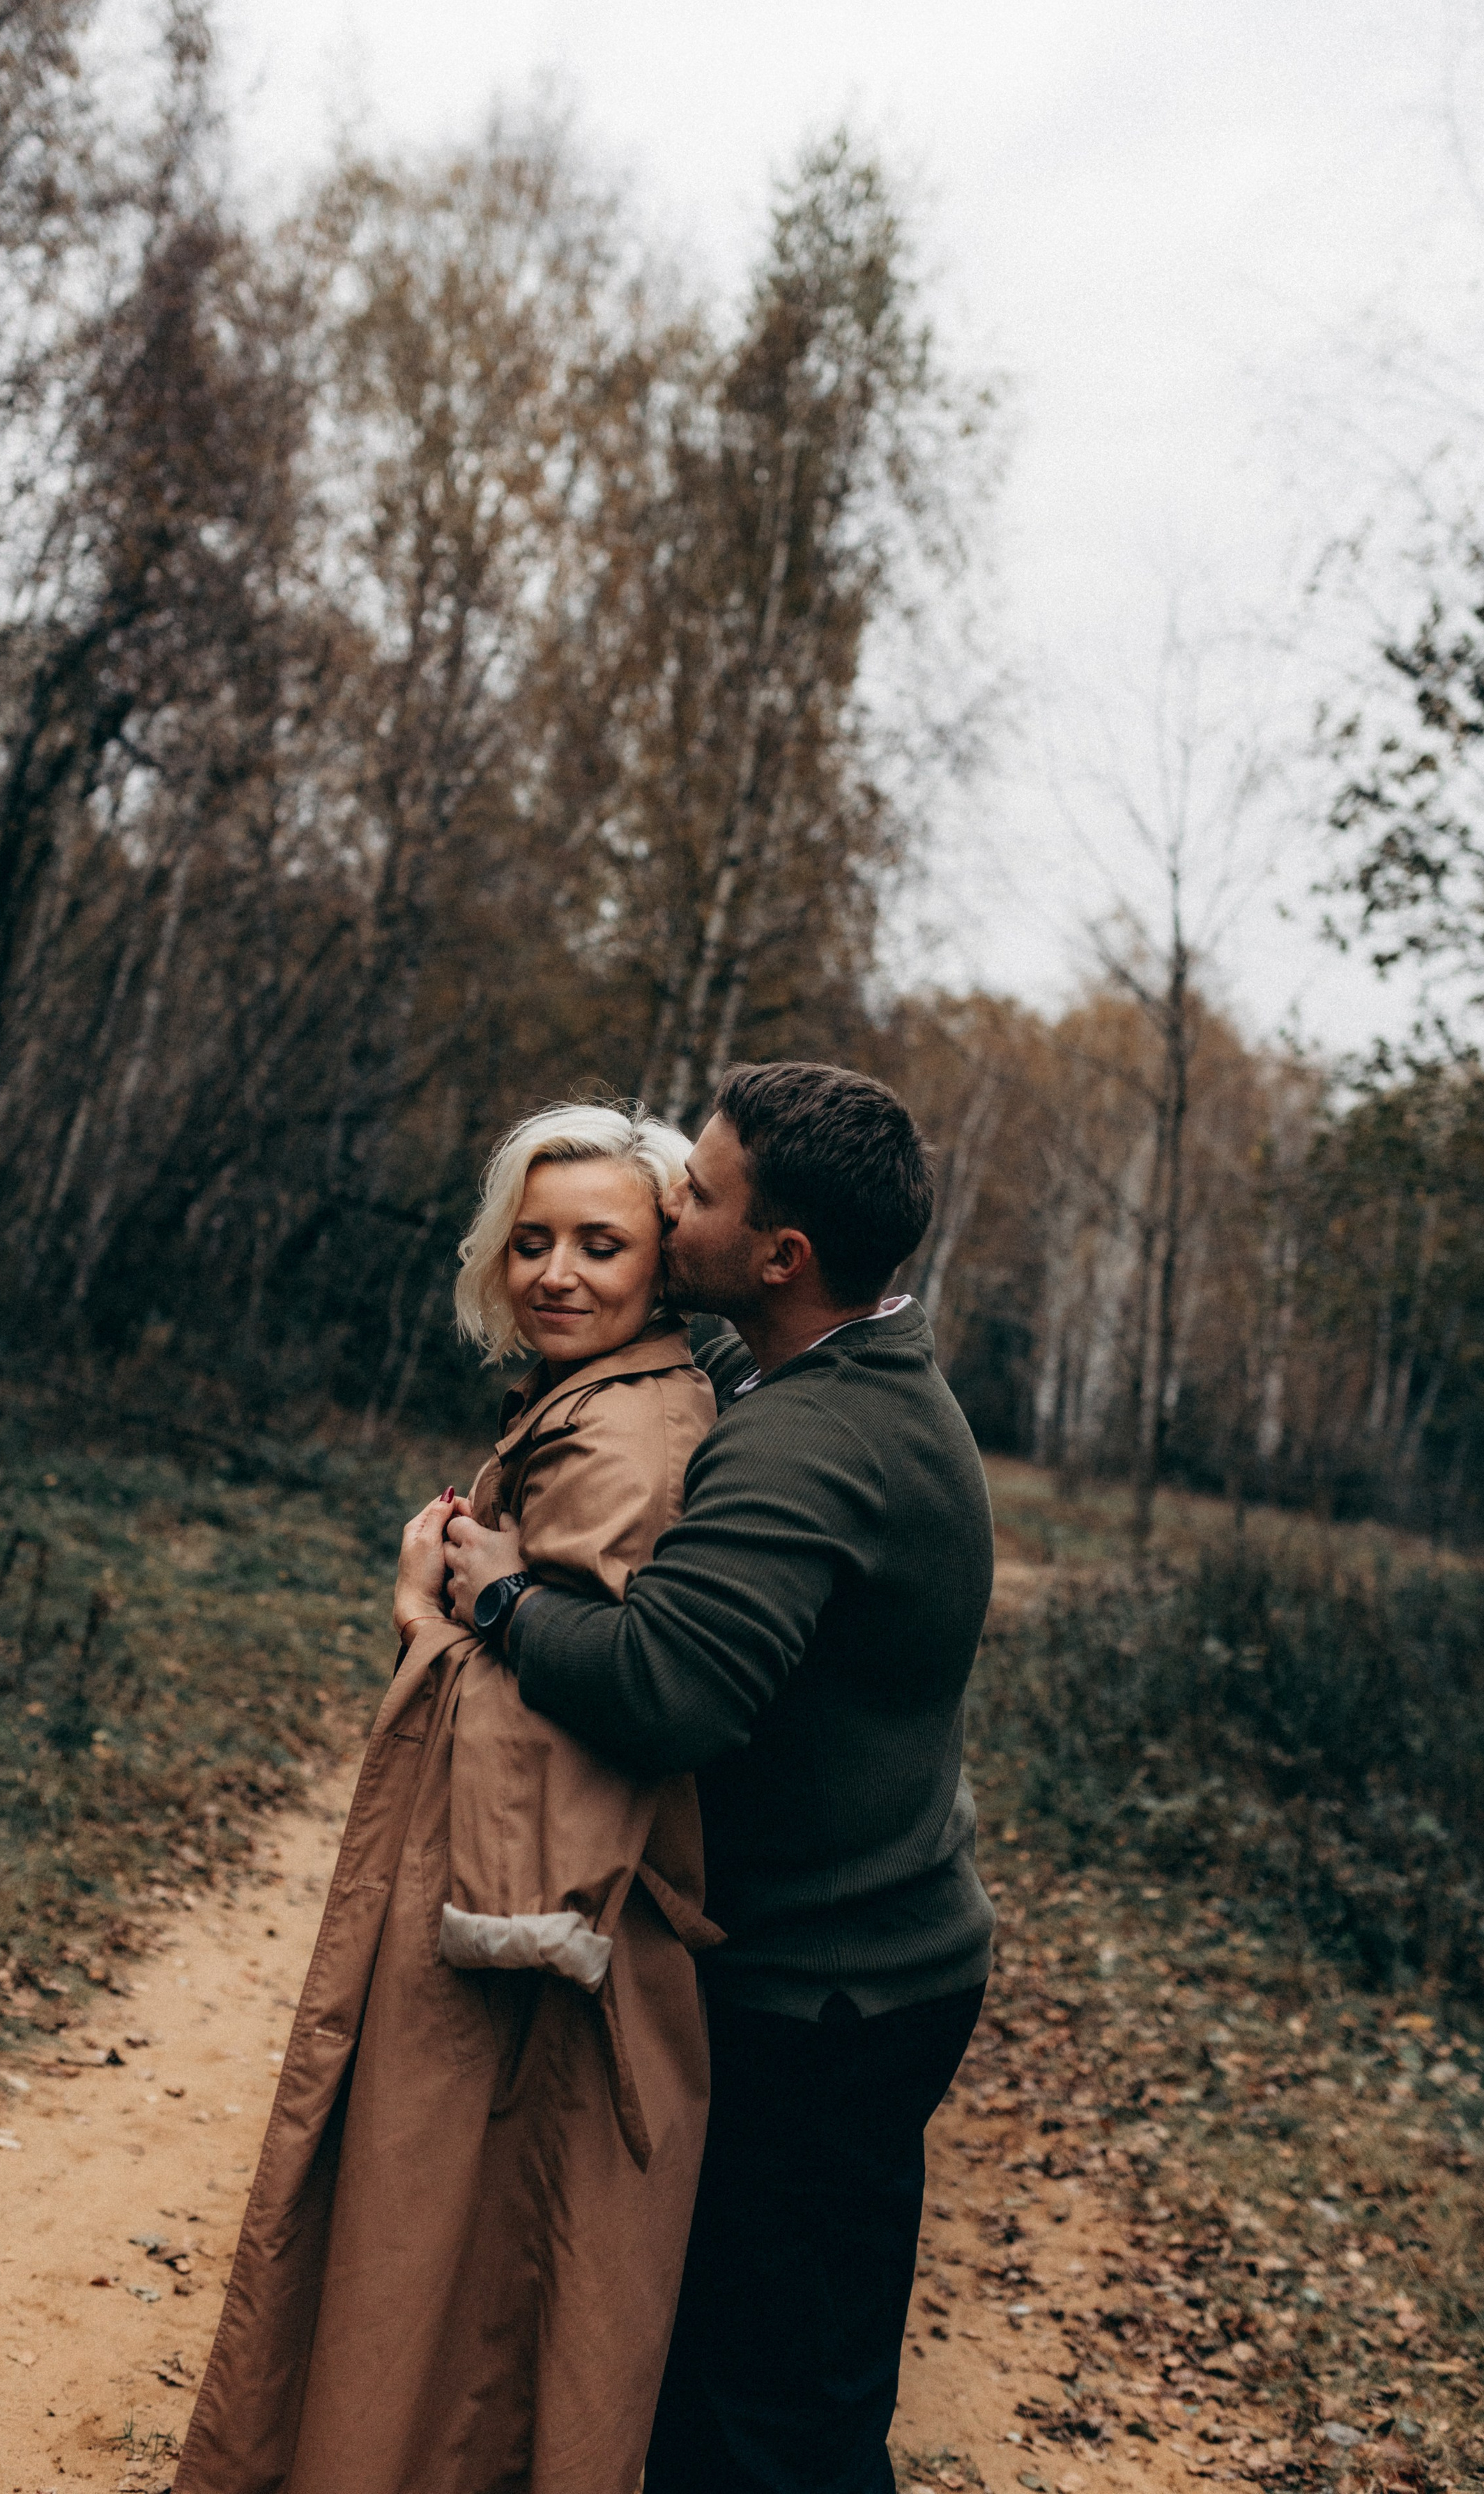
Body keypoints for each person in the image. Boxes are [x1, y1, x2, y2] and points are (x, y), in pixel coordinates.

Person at [445, 1060, 997, 2494]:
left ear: (778, 1254)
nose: (665, 1198)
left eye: (693, 1188)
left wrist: (502, 1598)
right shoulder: (834, 1362)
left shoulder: (809, 1440)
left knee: (767, 2426)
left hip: (827, 2000)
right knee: (762, 2385)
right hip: (875, 1965)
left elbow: (666, 1689)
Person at [175, 1103, 719, 2494]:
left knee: (451, 2255)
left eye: (601, 1243)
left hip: (520, 1916)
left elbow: (593, 1710)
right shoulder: (585, 1406)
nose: (556, 1272)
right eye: (530, 1241)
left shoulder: (625, 1437)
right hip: (490, 1888)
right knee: (432, 2251)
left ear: (665, 1258)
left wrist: (432, 1607)